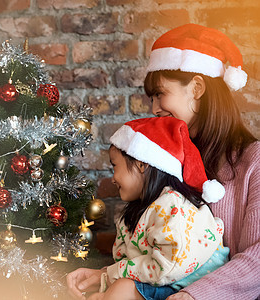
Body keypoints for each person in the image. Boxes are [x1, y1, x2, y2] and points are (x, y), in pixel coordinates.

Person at [69, 23, 260, 300]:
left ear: (196, 88)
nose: (155, 109)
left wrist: (195, 295)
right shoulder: (166, 164)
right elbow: (159, 255)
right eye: (152, 98)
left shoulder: (253, 161)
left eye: (160, 94)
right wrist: (105, 276)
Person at [68, 117, 228, 300]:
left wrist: (113, 281)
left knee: (122, 290)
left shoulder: (172, 206)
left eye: (115, 166)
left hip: (186, 289)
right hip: (164, 284)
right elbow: (132, 266)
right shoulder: (141, 211)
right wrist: (106, 283)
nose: (112, 178)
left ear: (141, 164)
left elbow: (166, 267)